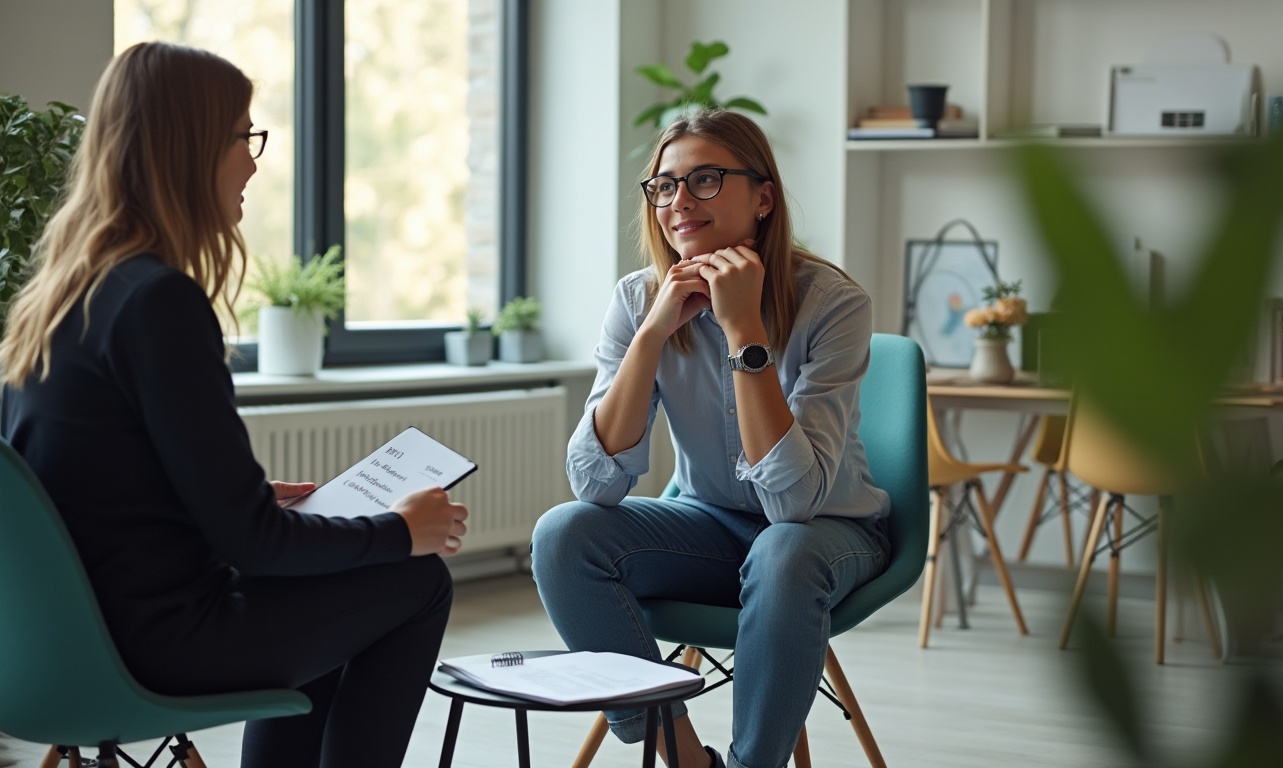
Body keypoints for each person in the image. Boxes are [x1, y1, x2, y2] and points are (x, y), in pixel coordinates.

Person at [0, 43, 467, 768]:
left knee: (332, 576)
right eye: (241, 136)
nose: (253, 161)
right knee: (417, 578)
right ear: (188, 149)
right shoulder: (159, 301)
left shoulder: (61, 299)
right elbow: (255, 547)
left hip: (59, 644)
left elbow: (92, 494)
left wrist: (226, 503)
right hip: (153, 643)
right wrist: (402, 530)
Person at [531, 110, 891, 768]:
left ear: (762, 197)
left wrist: (743, 331)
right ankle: (682, 754)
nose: (678, 202)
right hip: (709, 527)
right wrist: (651, 335)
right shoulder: (639, 299)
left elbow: (793, 505)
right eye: (664, 186)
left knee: (783, 550)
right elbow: (596, 483)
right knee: (563, 535)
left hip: (828, 533)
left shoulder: (834, 303)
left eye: (704, 179)